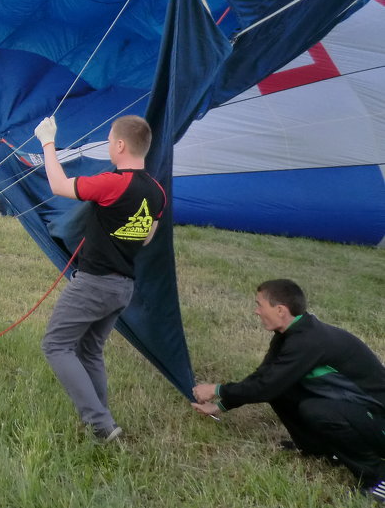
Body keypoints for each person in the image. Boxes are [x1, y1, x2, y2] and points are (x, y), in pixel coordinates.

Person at [34, 113, 167, 442]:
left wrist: (47, 142)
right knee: (90, 351)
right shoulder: (157, 191)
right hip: (123, 288)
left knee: (56, 345)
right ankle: (103, 421)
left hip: (95, 283)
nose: (109, 146)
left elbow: (59, 186)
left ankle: (99, 423)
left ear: (120, 145)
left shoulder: (113, 182)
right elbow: (148, 236)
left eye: (109, 140)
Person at [192, 279, 385, 501]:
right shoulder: (289, 334)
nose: (256, 311)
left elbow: (265, 386)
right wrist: (221, 405)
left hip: (380, 421)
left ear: (280, 309)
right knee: (282, 388)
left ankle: (378, 479)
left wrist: (217, 389)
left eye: (259, 304)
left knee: (317, 410)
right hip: (363, 413)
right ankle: (317, 448)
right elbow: (264, 378)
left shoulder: (310, 341)